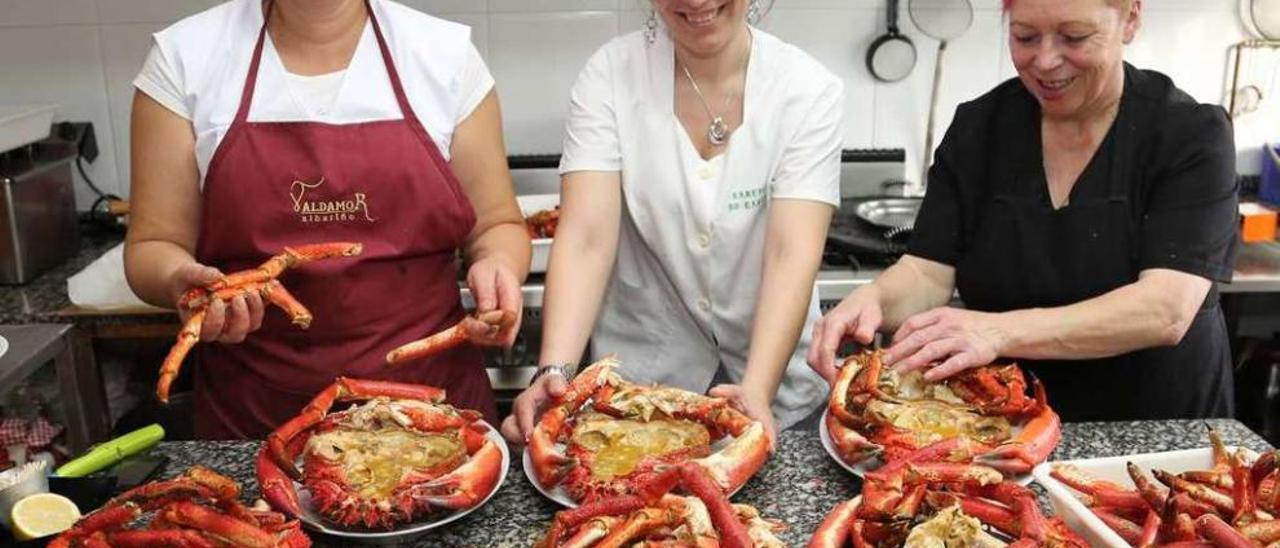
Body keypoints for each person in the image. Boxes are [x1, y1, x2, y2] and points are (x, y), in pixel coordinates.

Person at [809, 0, 1238, 421]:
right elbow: (927, 271)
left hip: (1157, 431)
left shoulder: (1188, 135)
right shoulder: (981, 129)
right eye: (1025, 36)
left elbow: (1165, 309)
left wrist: (997, 331)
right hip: (1009, 426)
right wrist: (875, 300)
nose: (1046, 61)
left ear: (1130, 19)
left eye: (1074, 37)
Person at [125, 0, 529, 439]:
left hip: (434, 417)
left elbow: (496, 226)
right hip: (255, 423)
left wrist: (497, 264)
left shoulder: (444, 55)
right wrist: (178, 280)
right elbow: (152, 245)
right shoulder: (185, 58)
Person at [501, 0, 843, 444]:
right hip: (641, 396)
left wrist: (757, 389)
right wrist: (555, 371)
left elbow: (790, 251)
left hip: (778, 391)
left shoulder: (807, 89)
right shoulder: (610, 75)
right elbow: (586, 239)